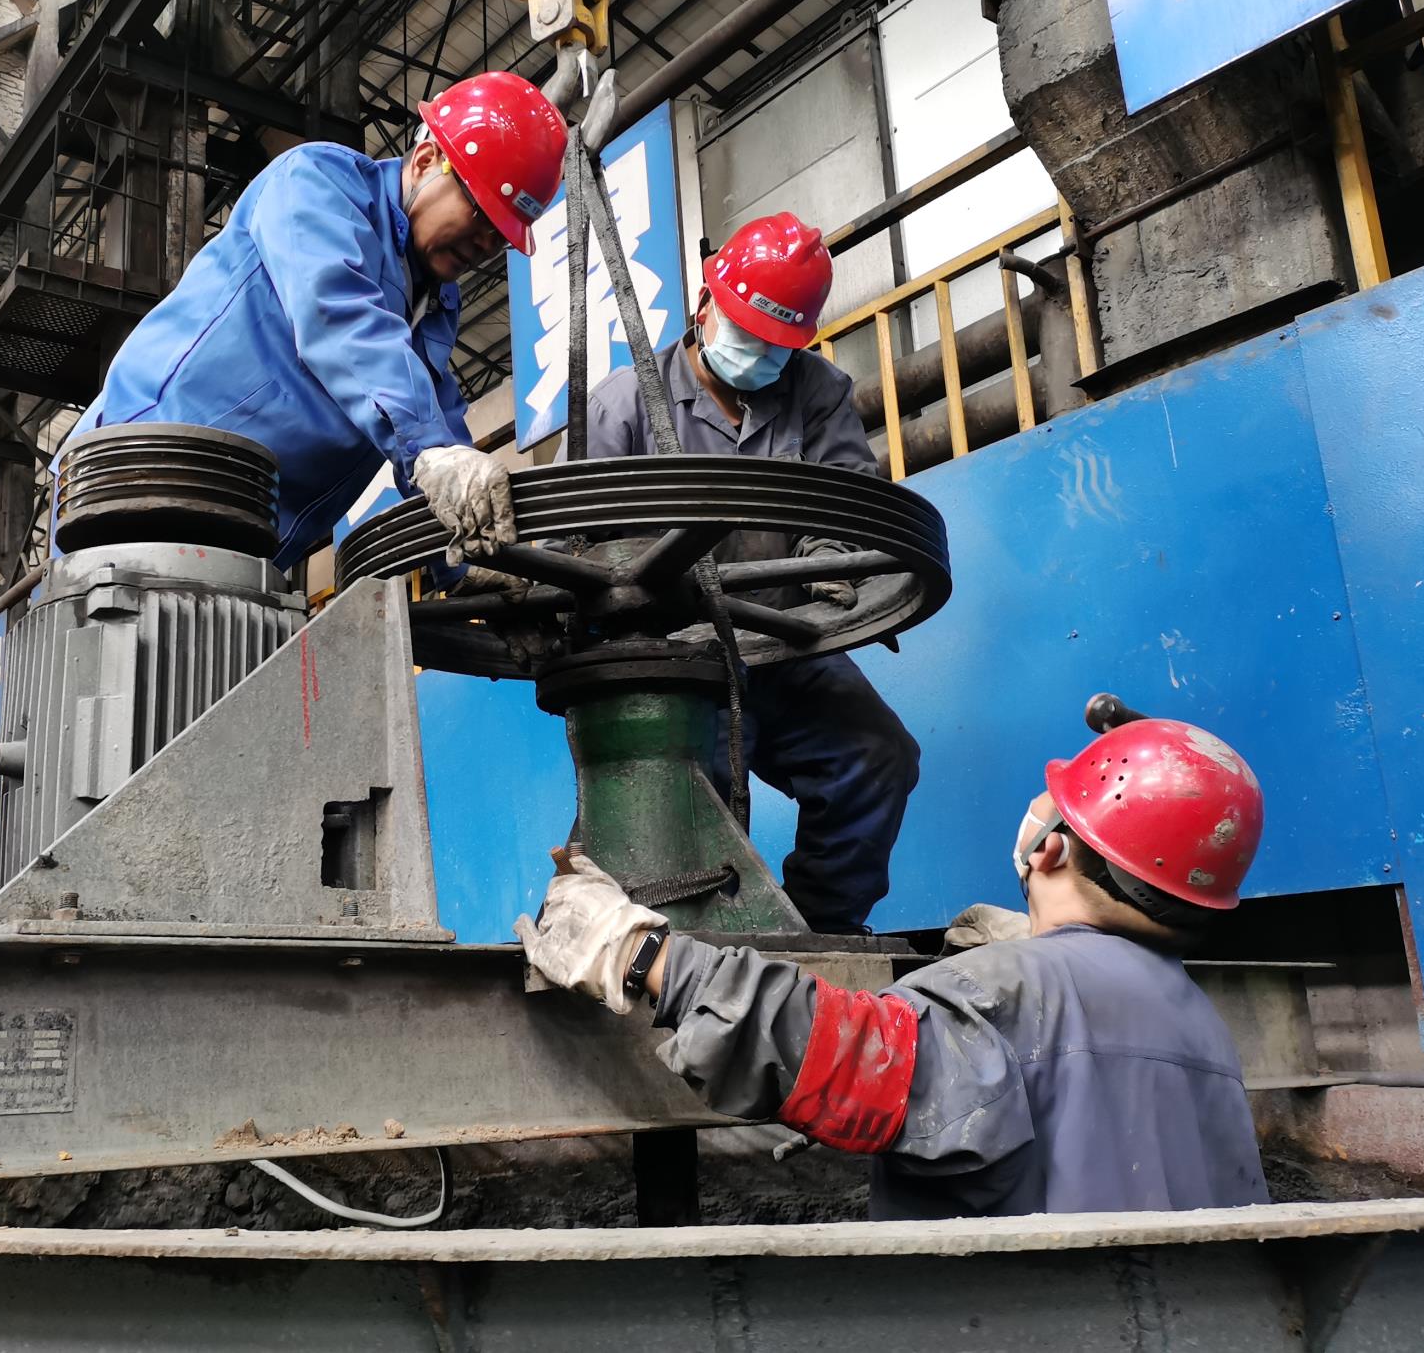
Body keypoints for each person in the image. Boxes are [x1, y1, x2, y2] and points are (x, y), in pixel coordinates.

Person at [514, 715, 1271, 1219]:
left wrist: (637, 952)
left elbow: (844, 1058)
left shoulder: (1006, 992)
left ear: (1050, 850)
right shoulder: (1199, 1021)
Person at [560, 212, 918, 933]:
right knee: (683, 797)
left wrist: (828, 556)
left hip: (787, 642)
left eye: (778, 345)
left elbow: (843, 498)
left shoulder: (816, 391)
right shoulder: (623, 405)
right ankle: (674, 946)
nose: (759, 354)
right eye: (748, 333)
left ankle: (821, 929)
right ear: (705, 304)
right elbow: (576, 540)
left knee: (877, 754)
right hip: (677, 658)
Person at [65, 71, 568, 570]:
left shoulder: (435, 301)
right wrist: (433, 451)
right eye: (481, 213)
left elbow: (438, 424)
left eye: (502, 236)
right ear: (425, 160)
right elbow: (338, 315)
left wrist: (470, 561)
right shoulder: (320, 182)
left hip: (246, 546)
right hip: (136, 480)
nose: (485, 245)